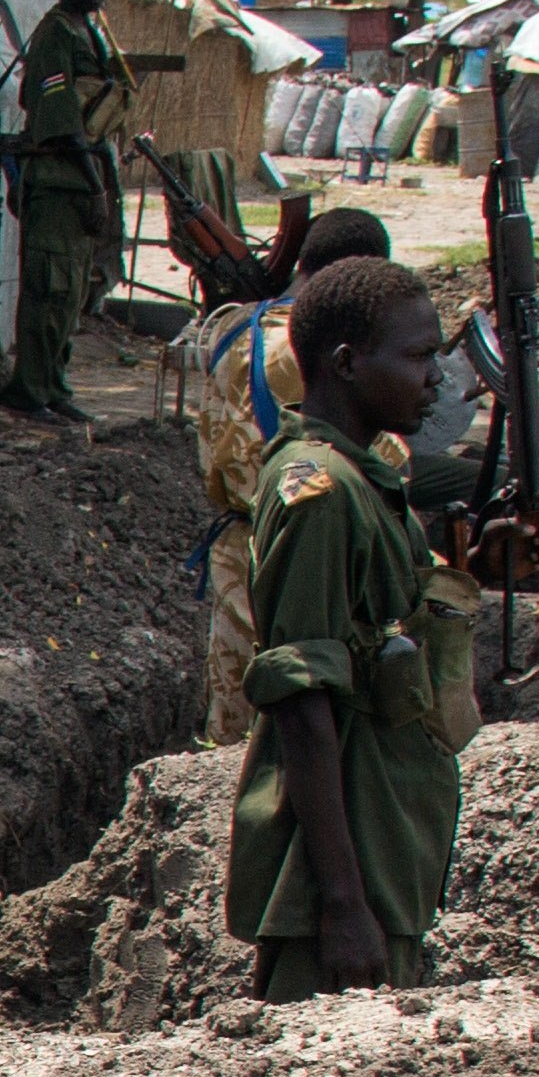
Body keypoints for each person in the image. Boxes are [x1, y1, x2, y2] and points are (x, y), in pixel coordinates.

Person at [225, 254, 474, 1000]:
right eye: (420, 356)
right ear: (346, 363)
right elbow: (303, 700)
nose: (437, 379)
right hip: (344, 869)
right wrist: (341, 904)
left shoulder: (363, 479)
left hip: (386, 844)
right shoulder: (321, 494)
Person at [190, 203, 390, 747]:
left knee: (229, 740)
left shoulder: (230, 327)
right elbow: (386, 470)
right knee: (310, 730)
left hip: (235, 548)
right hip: (308, 554)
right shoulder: (327, 355)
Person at [7, 0, 136, 421]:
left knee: (73, 292)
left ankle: (55, 387)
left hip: (82, 181)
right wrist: (94, 184)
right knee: (48, 288)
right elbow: (60, 121)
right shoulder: (56, 34)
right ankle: (30, 391)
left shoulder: (91, 33)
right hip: (60, 182)